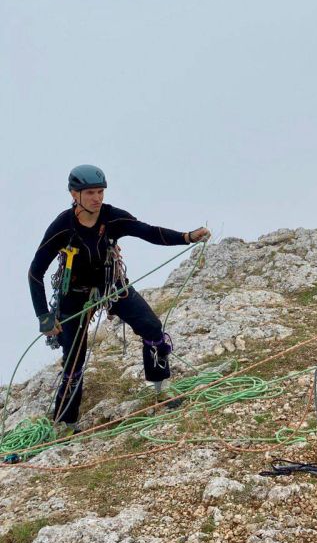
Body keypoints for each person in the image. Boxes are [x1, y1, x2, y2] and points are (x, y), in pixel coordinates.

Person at [28, 164, 210, 432]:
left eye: (100, 191)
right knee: (73, 359)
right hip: (74, 297)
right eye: (90, 192)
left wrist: (187, 237)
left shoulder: (112, 218)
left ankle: (161, 388)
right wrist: (44, 316)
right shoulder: (62, 227)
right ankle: (66, 423)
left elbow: (148, 231)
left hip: (112, 286)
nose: (97, 198)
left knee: (152, 329)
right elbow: (35, 272)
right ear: (74, 194)